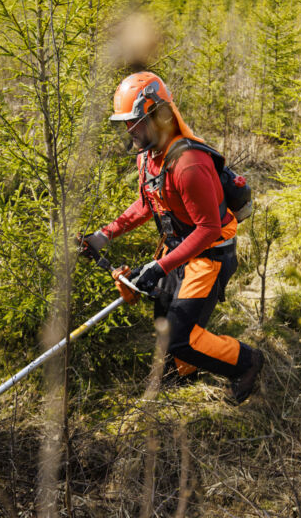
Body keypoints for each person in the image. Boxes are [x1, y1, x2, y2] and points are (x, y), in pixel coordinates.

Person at [80, 71, 264, 404]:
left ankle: (247, 362)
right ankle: (182, 375)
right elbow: (147, 202)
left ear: (159, 115)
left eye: (134, 123)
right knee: (165, 321)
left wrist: (159, 268)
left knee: (181, 338)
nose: (129, 132)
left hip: (208, 254)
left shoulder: (189, 163)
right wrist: (104, 235)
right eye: (126, 124)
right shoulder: (148, 157)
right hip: (178, 249)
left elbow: (208, 228)